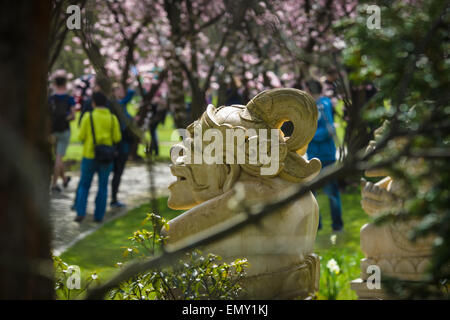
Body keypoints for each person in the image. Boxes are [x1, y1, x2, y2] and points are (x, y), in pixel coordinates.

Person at [75, 91, 121, 222]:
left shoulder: (88, 117)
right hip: (107, 157)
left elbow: (80, 136)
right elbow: (117, 137)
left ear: (93, 103)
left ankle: (80, 212)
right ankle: (99, 216)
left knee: (84, 185)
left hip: (89, 154)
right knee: (103, 186)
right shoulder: (112, 118)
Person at [305, 79, 344, 232]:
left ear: (310, 89)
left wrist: (310, 135)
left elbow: (329, 129)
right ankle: (317, 225)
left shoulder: (323, 104)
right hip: (314, 155)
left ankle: (337, 226)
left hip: (325, 155)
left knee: (331, 192)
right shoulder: (313, 105)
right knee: (313, 193)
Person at [49, 72, 76, 193]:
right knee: (59, 158)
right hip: (64, 130)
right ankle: (54, 184)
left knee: (57, 157)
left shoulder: (50, 99)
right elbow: (73, 116)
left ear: (55, 84)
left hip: (53, 131)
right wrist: (66, 118)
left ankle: (64, 179)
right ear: (65, 84)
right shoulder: (69, 99)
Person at [110, 85, 135, 208]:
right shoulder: (118, 104)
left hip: (120, 144)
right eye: (119, 89)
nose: (122, 91)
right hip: (120, 144)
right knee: (117, 172)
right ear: (113, 92)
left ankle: (114, 198)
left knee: (116, 173)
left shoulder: (118, 106)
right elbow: (131, 92)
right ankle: (113, 199)